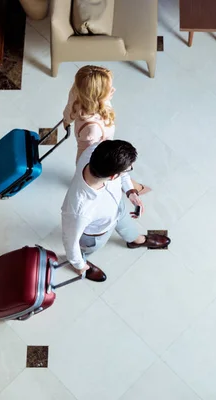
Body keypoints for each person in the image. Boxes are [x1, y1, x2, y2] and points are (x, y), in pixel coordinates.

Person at [61, 140, 171, 282]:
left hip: (118, 208)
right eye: (128, 169)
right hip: (97, 233)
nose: (129, 170)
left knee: (128, 226)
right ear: (113, 177)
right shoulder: (79, 210)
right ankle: (82, 264)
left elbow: (123, 174)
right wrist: (79, 264)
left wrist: (130, 191)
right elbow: (70, 242)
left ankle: (136, 240)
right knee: (85, 251)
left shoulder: (97, 151)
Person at [63, 65, 151, 195]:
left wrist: (66, 121)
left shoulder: (78, 92)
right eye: (108, 89)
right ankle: (133, 187)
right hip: (95, 157)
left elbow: (69, 109)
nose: (113, 90)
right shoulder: (92, 128)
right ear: (96, 94)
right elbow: (96, 156)